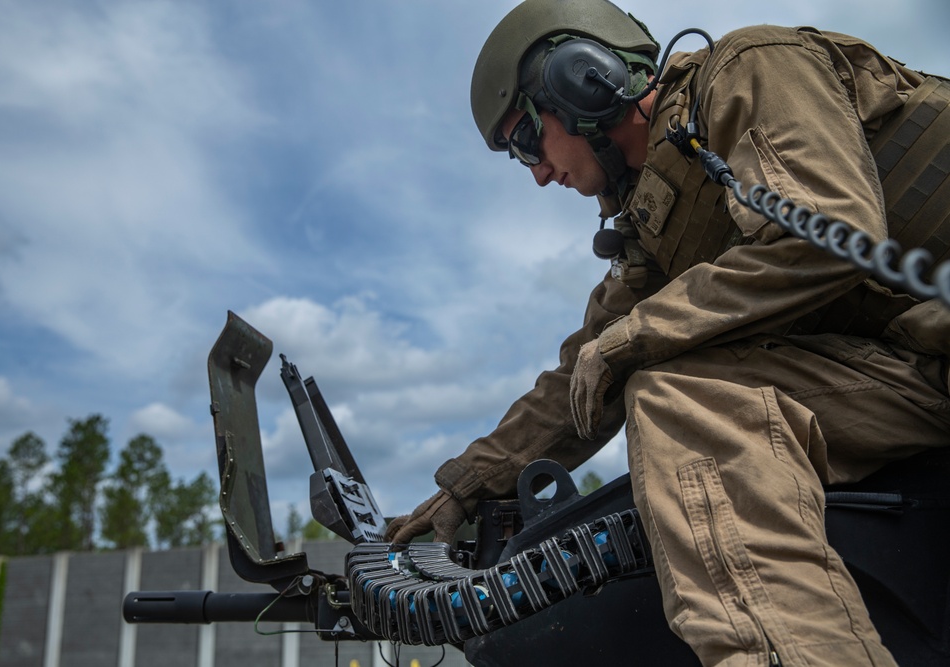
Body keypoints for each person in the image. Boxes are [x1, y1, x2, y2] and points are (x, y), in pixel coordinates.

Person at [386, 0, 950, 664]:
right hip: (918, 371)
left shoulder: (753, 68)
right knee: (677, 392)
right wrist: (463, 486)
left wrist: (632, 340)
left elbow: (830, 232)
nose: (537, 173)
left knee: (675, 392)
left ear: (582, 77)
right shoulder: (656, 229)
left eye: (526, 141)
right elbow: (577, 380)